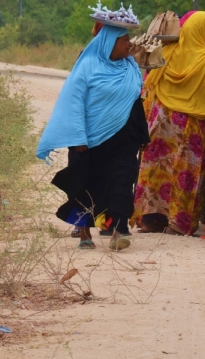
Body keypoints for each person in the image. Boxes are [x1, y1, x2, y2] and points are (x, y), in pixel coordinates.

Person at [37, 24, 149, 250]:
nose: (129, 44)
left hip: (124, 138)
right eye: (124, 40)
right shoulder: (87, 66)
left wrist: (142, 135)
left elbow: (135, 102)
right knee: (85, 184)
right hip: (89, 140)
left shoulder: (130, 67)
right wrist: (78, 137)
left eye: (128, 39)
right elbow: (73, 102)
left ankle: (118, 231)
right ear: (109, 43)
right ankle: (84, 231)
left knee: (122, 181)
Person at [133, 11, 205, 236]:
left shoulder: (169, 50)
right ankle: (177, 223)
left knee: (156, 168)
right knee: (184, 171)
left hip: (161, 121)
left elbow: (150, 82)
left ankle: (150, 220)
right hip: (187, 126)